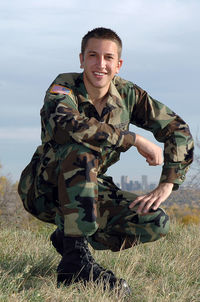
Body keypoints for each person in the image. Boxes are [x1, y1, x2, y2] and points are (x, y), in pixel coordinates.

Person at [18, 27, 194, 295]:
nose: (100, 64)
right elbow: (68, 125)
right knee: (82, 149)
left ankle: (68, 241)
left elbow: (177, 128)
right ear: (81, 60)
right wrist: (133, 139)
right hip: (44, 190)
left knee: (154, 221)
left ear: (118, 64)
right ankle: (76, 265)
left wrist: (169, 182)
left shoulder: (128, 94)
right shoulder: (63, 86)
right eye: (93, 56)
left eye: (108, 58)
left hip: (87, 192)